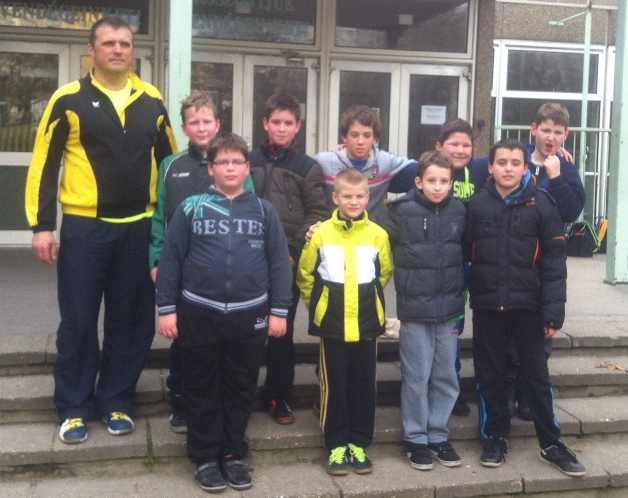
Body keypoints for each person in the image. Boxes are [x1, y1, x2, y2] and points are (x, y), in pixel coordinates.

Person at [24, 16, 177, 444]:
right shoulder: (68, 99)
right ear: (91, 50)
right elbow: (44, 164)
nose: (117, 50)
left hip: (138, 230)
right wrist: (41, 226)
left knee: (131, 322)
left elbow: (170, 166)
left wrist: (174, 229)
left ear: (133, 51)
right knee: (78, 320)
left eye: (124, 43)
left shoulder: (152, 100)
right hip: (84, 230)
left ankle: (116, 401)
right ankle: (74, 407)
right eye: (108, 43)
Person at [155, 133, 293, 493]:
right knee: (201, 387)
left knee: (241, 388)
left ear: (247, 168)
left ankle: (232, 453)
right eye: (222, 162)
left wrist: (279, 310)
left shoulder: (264, 211)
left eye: (236, 162)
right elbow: (171, 261)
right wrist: (166, 309)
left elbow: (279, 264)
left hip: (250, 316)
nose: (230, 168)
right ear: (211, 168)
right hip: (199, 313)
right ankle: (204, 457)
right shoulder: (191, 208)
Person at [465, 138, 586, 477]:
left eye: (515, 163)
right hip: (488, 306)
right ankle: (495, 438)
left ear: (525, 167)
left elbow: (554, 264)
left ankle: (551, 444)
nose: (508, 168)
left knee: (536, 376)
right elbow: (464, 255)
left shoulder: (543, 205)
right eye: (501, 162)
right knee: (490, 374)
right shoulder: (475, 206)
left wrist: (553, 312)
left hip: (529, 307)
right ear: (490, 167)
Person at [148, 91, 253, 433]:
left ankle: (221, 403)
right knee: (184, 339)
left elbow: (251, 214)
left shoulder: (233, 163)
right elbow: (160, 216)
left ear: (218, 124)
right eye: (194, 122)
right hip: (181, 270)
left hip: (222, 273)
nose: (202, 127)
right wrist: (156, 259)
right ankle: (181, 399)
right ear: (184, 128)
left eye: (207, 121)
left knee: (220, 342)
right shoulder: (170, 165)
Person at [297, 168, 392, 476]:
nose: (353, 201)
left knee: (364, 384)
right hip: (333, 323)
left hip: (365, 321)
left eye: (359, 196)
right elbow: (306, 274)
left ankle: (359, 442)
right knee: (334, 385)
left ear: (368, 197)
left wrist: (370, 299)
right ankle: (337, 444)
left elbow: (384, 273)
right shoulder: (321, 233)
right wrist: (320, 304)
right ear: (335, 197)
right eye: (347, 196)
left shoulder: (378, 234)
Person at [382, 150, 466, 471]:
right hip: (414, 309)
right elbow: (372, 236)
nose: (438, 187)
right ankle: (415, 437)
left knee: (445, 375)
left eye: (444, 181)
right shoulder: (400, 211)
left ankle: (438, 434)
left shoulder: (460, 210)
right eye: (431, 180)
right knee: (417, 376)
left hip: (449, 309)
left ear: (452, 183)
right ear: (418, 181)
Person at [249, 92, 329, 424]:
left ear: (298, 126)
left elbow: (318, 213)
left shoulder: (308, 167)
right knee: (247, 331)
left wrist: (294, 252)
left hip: (287, 261)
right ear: (265, 123)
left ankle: (278, 395)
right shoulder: (248, 159)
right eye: (276, 122)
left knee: (280, 331)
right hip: (248, 260)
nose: (282, 128)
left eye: (288, 123)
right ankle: (242, 393)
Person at [434, 118, 486, 417]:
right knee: (442, 328)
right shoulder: (426, 170)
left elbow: (521, 158)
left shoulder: (480, 169)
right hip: (437, 264)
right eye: (454, 144)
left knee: (455, 328)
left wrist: (557, 155)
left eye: (467, 145)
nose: (461, 150)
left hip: (470, 262)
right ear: (439, 146)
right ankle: (443, 388)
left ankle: (451, 388)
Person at [314, 104, 418, 222]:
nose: (360, 141)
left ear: (375, 139)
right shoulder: (323, 161)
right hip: (333, 229)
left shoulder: (386, 162)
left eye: (367, 135)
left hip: (372, 230)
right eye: (354, 135)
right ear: (344, 137)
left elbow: (425, 172)